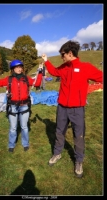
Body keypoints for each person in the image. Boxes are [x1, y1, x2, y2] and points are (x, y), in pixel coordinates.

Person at [42, 40, 103, 178]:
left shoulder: (86, 67)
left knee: (79, 136)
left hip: (77, 109)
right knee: (59, 131)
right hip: (62, 107)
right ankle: (57, 154)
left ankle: (79, 161)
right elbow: (53, 71)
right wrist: (46, 61)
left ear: (70, 53)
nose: (61, 57)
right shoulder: (64, 67)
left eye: (62, 55)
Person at [0, 60, 43, 153]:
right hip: (13, 106)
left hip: (24, 106)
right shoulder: (8, 79)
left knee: (24, 126)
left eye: (20, 67)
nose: (19, 69)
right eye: (17, 67)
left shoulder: (26, 78)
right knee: (13, 128)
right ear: (13, 69)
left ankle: (25, 143)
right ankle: (11, 144)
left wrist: (41, 71)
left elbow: (37, 83)